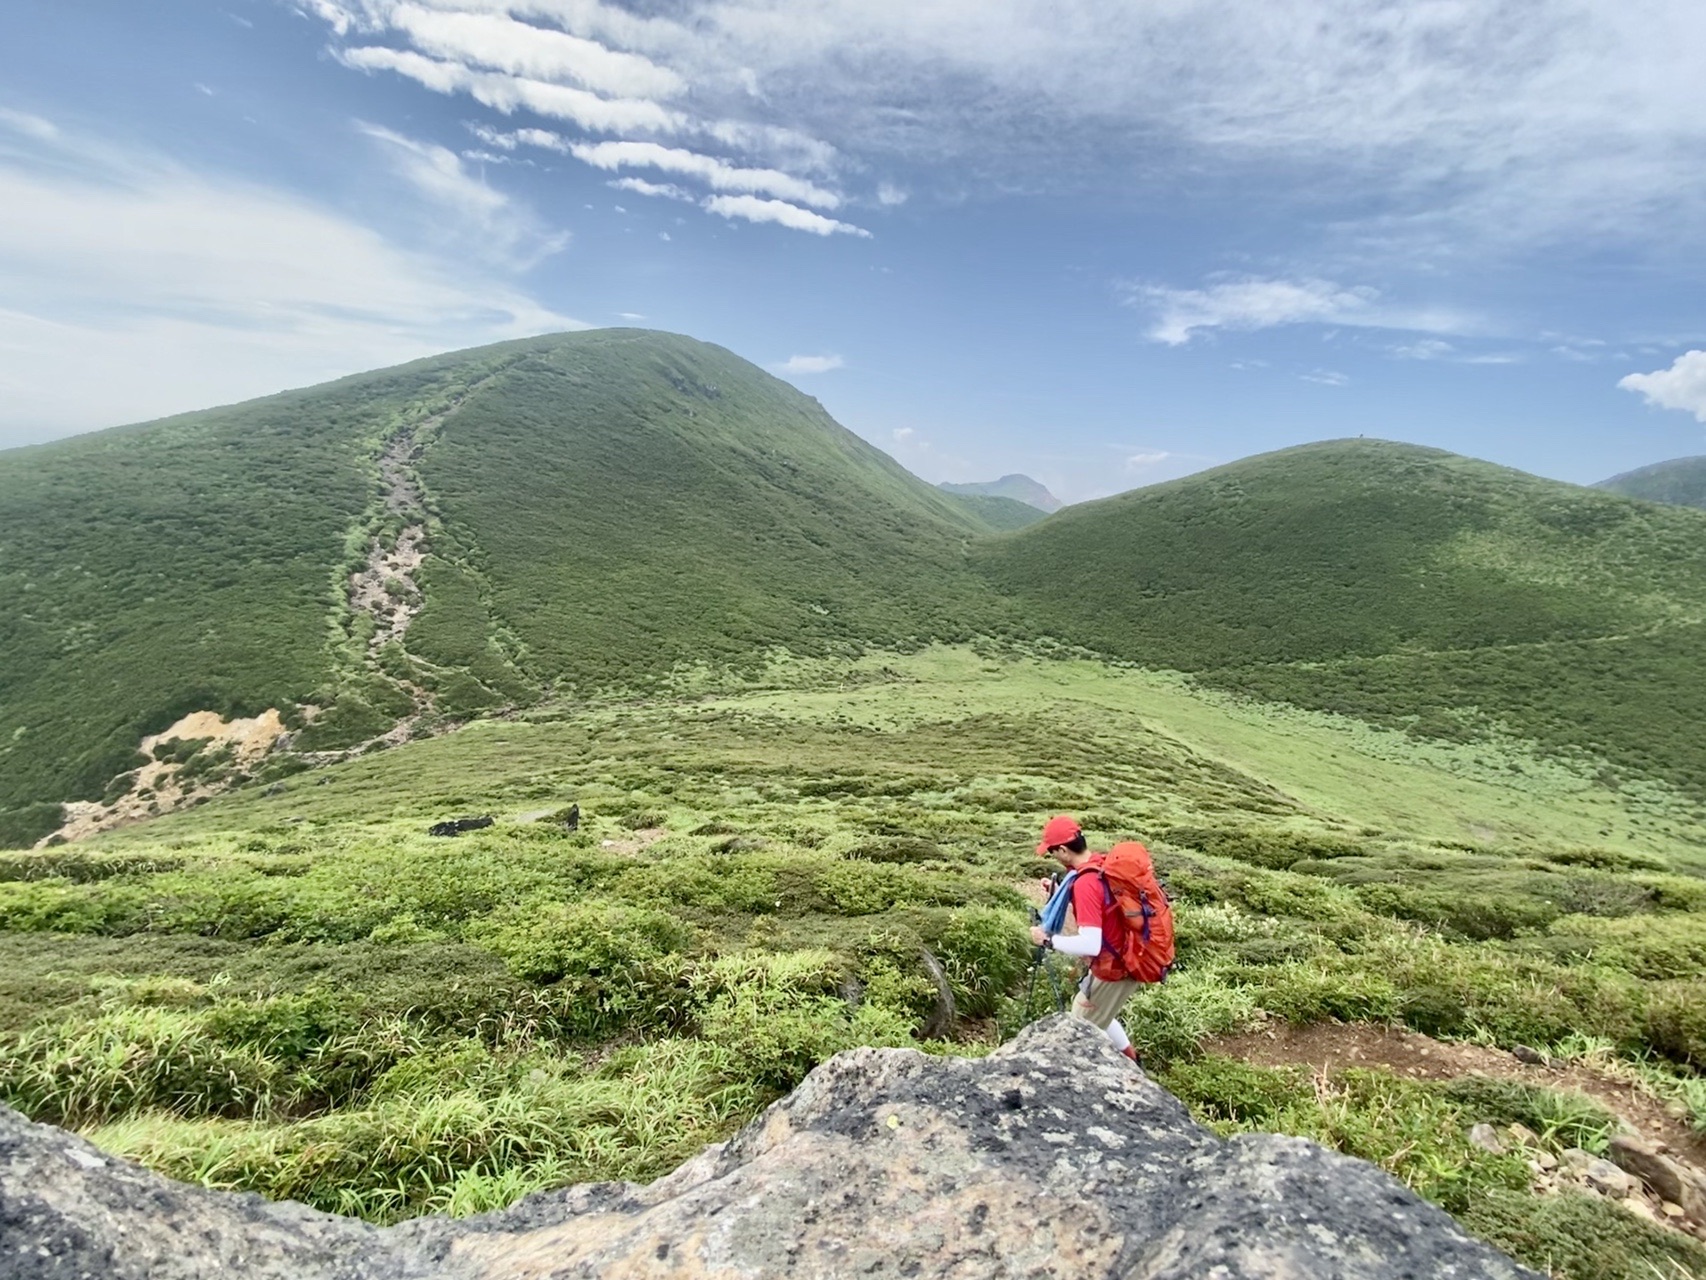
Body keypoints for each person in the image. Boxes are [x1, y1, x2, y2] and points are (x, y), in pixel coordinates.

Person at [1029, 814, 1141, 1061]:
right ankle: (1132, 1061)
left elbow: (1091, 943)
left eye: (1052, 853)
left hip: (1114, 968)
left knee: (1078, 1031)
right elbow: (1104, 906)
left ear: (1063, 850)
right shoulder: (1099, 863)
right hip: (1125, 957)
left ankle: (1121, 1075)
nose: (1054, 857)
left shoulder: (1085, 883)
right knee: (1102, 1014)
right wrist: (1058, 893)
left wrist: (1047, 940)